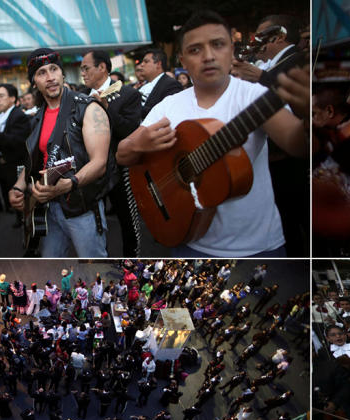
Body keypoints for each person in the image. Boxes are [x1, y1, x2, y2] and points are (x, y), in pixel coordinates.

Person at [117, 10, 309, 257]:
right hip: (186, 240)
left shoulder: (255, 96)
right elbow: (122, 154)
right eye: (195, 50)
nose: (208, 56)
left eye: (217, 45)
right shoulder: (168, 106)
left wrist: (308, 118)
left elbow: (300, 145)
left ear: (231, 51)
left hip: (256, 248)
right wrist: (138, 143)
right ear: (183, 61)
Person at [7, 48, 112, 257]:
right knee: (50, 266)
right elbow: (34, 162)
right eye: (41, 73)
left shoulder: (88, 108)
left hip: (81, 207)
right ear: (34, 82)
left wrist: (70, 183)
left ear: (62, 74)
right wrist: (18, 187)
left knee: (94, 265)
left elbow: (99, 163)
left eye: (54, 69)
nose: (50, 77)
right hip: (46, 209)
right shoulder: (37, 118)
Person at [79, 49, 143, 257]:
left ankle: (131, 261)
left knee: (128, 222)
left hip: (119, 170)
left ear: (102, 67)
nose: (83, 73)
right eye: (81, 69)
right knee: (94, 225)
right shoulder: (80, 97)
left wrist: (107, 109)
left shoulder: (128, 94)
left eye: (86, 68)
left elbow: (131, 132)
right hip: (89, 171)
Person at [0, 83, 32, 229]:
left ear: (13, 98)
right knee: (11, 194)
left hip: (17, 164)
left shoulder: (19, 115)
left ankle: (29, 228)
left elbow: (17, 141)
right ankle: (20, 219)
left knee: (22, 196)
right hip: (3, 163)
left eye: (1, 96)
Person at [134, 48, 183, 118]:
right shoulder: (142, 86)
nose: (142, 65)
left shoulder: (171, 85)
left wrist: (133, 107)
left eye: (146, 61)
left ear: (158, 64)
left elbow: (165, 113)